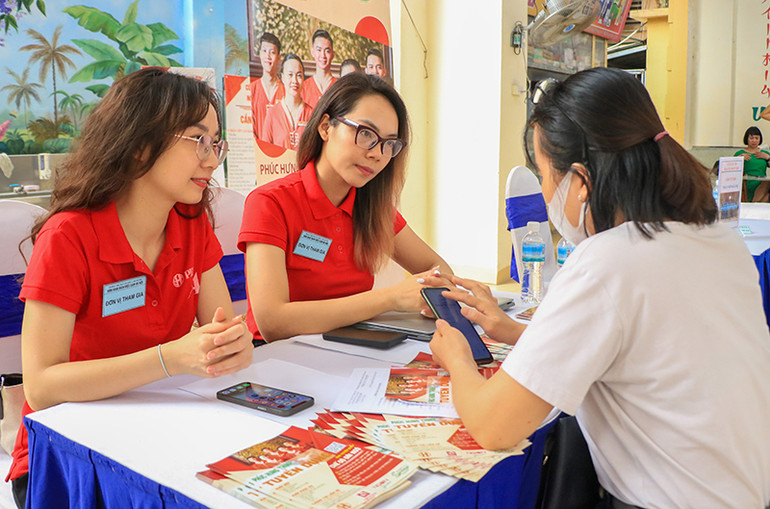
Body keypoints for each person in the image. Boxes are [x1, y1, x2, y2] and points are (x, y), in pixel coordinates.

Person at [428, 67, 770, 508]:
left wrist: (457, 360)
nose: (546, 189)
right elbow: (644, 351)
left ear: (580, 182)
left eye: (545, 173)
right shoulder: (716, 240)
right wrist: (512, 330)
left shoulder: (608, 261)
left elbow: (494, 425)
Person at [6, 68, 254, 509]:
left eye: (216, 143)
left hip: (164, 435)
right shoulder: (69, 237)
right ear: (140, 146)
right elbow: (42, 387)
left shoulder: (192, 224)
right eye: (198, 140)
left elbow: (223, 333)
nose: (212, 159)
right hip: (67, 461)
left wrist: (231, 346)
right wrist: (171, 357)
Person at [238, 73, 452, 342]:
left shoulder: (372, 206)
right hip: (282, 358)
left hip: (354, 345)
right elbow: (273, 323)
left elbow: (437, 268)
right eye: (365, 134)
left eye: (389, 144)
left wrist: (432, 292)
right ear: (326, 127)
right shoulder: (270, 203)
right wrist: (390, 298)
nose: (376, 153)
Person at [263, 54, 313, 151]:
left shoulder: (311, 114)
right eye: (290, 75)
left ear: (303, 79)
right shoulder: (272, 114)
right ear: (282, 77)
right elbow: (265, 153)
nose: (294, 81)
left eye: (299, 75)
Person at [250, 32, 285, 142]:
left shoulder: (285, 91)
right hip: (256, 151)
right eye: (264, 51)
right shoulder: (251, 90)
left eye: (272, 52)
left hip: (279, 155)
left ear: (279, 58)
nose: (268, 56)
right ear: (260, 54)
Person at [301, 29, 337, 108]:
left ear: (332, 54)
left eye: (327, 51)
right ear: (313, 52)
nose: (323, 55)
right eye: (319, 50)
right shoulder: (303, 87)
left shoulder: (338, 87)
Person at [734, 126, 770, 202]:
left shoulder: (764, 153)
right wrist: (739, 158)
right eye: (751, 138)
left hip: (762, 184)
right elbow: (732, 168)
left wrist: (767, 157)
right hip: (746, 184)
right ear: (747, 139)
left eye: (756, 138)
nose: (754, 141)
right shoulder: (740, 153)